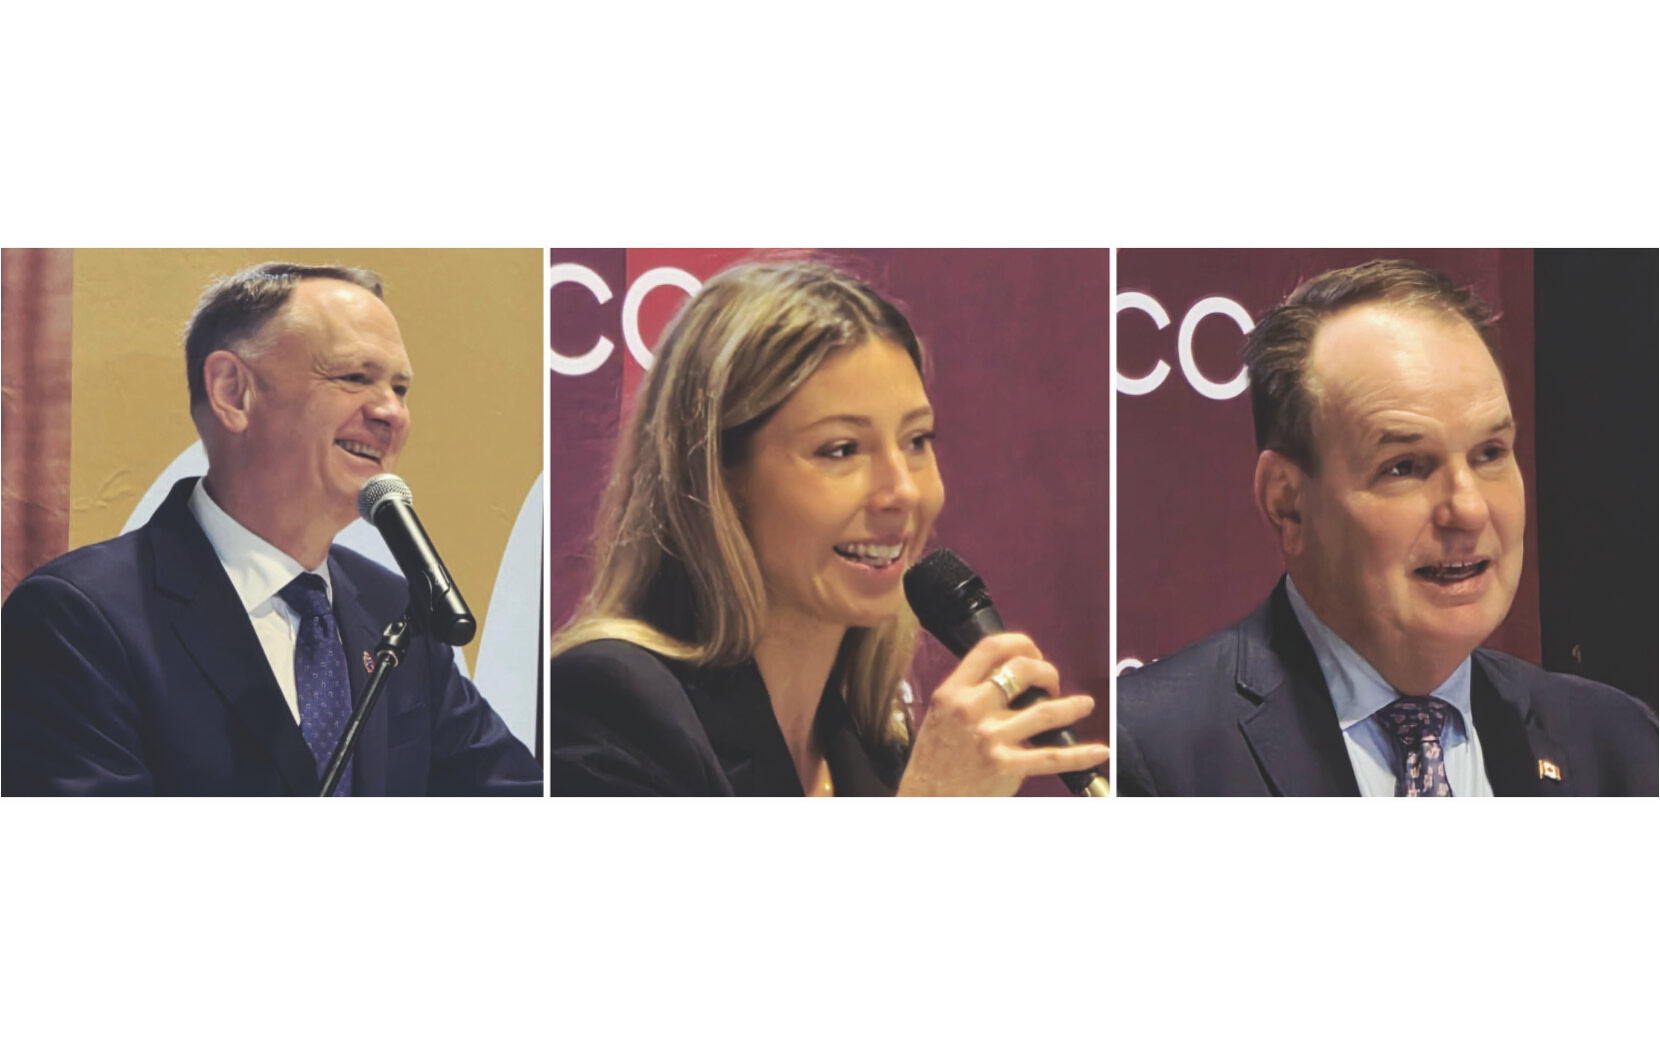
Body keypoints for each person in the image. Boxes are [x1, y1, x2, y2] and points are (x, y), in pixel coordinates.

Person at [547, 260, 1109, 795]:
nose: (904, 491)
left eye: (916, 440)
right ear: (719, 478)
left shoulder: (876, 746)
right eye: (841, 449)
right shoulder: (608, 705)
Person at [1117, 259, 1657, 797]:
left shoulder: (1617, 744)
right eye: (1405, 467)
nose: (1469, 509)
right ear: (1287, 502)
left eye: (1490, 453)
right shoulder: (1148, 752)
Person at [1, 262, 541, 796]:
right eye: (355, 378)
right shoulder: (78, 618)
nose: (391, 412)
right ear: (233, 392)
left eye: (400, 388)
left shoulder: (395, 610)